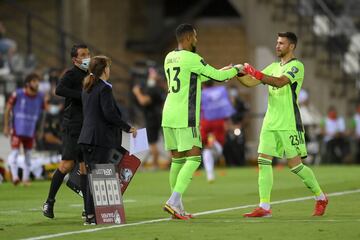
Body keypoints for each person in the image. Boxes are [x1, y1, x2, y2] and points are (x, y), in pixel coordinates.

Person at [237, 32, 328, 217]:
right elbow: (251, 82)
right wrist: (237, 73)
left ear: (291, 46)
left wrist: (255, 72)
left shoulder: (297, 66)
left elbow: (279, 82)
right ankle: (264, 207)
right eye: (277, 42)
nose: (277, 46)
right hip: (270, 122)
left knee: (295, 166)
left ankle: (321, 197)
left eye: (281, 43)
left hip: (288, 123)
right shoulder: (272, 66)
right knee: (263, 162)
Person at [162, 23, 243, 220]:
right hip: (185, 115)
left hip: (168, 114)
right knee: (195, 158)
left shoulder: (169, 57)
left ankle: (177, 207)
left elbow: (193, 78)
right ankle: (173, 201)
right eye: (195, 37)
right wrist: (236, 69)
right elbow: (217, 76)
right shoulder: (193, 58)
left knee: (178, 160)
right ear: (189, 38)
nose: (197, 40)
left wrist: (221, 70)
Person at [78, 55, 137, 225]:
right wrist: (128, 128)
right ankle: (95, 215)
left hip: (86, 137)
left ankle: (90, 215)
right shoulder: (104, 88)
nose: (110, 70)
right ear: (104, 69)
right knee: (98, 176)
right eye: (108, 67)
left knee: (91, 176)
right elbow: (109, 114)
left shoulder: (87, 87)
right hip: (99, 139)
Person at [42, 44, 90, 219]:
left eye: (88, 54)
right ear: (75, 59)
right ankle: (49, 201)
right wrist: (82, 95)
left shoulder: (90, 75)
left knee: (85, 168)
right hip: (73, 126)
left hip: (87, 126)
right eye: (83, 55)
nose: (87, 57)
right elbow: (59, 90)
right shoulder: (71, 74)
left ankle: (87, 210)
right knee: (67, 165)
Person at [3, 73, 46, 186]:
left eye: (38, 81)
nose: (37, 84)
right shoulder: (18, 94)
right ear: (28, 83)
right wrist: (6, 126)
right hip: (17, 129)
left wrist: (40, 130)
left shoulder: (40, 97)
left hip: (30, 130)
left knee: (28, 155)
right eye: (34, 81)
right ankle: (15, 177)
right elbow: (7, 109)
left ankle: (26, 179)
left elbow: (43, 114)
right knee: (15, 152)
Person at [200, 81, 235, 182]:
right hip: (218, 121)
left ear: (203, 84)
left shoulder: (201, 93)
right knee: (217, 148)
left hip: (206, 121)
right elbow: (226, 106)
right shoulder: (220, 92)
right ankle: (213, 143)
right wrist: (228, 121)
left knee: (207, 149)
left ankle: (210, 173)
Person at [132, 67, 165, 169]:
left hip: (152, 118)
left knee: (152, 142)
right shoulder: (159, 88)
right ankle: (153, 164)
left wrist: (137, 92)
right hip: (158, 116)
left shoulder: (153, 88)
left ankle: (155, 165)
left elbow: (144, 101)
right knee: (154, 142)